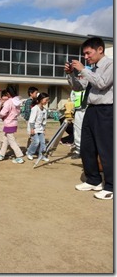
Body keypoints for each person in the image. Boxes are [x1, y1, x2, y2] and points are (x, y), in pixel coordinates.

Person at [65, 37, 113, 200]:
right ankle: (93, 180)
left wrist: (83, 69)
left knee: (106, 149)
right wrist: (71, 74)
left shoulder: (110, 65)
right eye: (84, 54)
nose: (86, 56)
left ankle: (111, 186)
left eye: (88, 53)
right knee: (87, 146)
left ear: (100, 49)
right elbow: (78, 87)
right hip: (90, 110)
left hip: (107, 110)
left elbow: (103, 83)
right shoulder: (91, 69)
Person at [0, 86, 24, 164]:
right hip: (14, 122)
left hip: (8, 123)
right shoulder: (16, 101)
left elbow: (3, 113)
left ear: (8, 94)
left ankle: (19, 156)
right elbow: (18, 111)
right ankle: (1, 154)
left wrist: (1, 116)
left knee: (11, 141)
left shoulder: (9, 102)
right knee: (5, 139)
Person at [25, 93, 50, 162]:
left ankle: (42, 156)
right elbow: (32, 120)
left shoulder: (44, 110)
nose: (47, 101)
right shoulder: (35, 108)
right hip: (33, 128)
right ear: (41, 99)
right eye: (46, 100)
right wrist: (32, 129)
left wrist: (44, 128)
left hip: (40, 128)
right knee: (36, 141)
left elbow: (44, 120)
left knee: (42, 142)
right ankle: (29, 152)